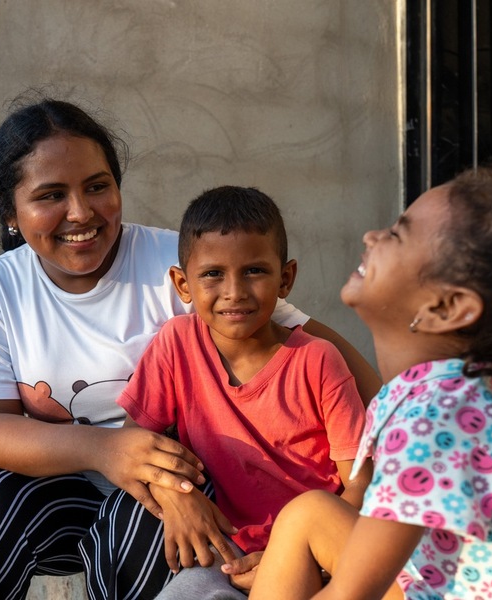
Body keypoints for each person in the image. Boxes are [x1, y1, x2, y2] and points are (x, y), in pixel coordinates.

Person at [0, 95, 381, 599]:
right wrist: (106, 450)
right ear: (10, 212)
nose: (80, 212)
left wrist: (411, 424)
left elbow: (312, 345)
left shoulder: (186, 265)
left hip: (180, 480)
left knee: (143, 536)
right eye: (51, 195)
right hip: (61, 480)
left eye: (97, 187)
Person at [248, 167, 492, 600]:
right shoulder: (443, 392)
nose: (371, 236)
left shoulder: (441, 416)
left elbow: (353, 593)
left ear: (446, 307)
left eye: (396, 234)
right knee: (309, 513)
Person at [82, 186, 372, 600]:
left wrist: (295, 559)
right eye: (213, 274)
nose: (234, 291)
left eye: (254, 270)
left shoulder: (318, 361)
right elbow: (136, 446)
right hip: (228, 554)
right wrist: (177, 495)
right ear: (183, 284)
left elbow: (361, 485)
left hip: (315, 554)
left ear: (285, 278)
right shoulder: (177, 344)